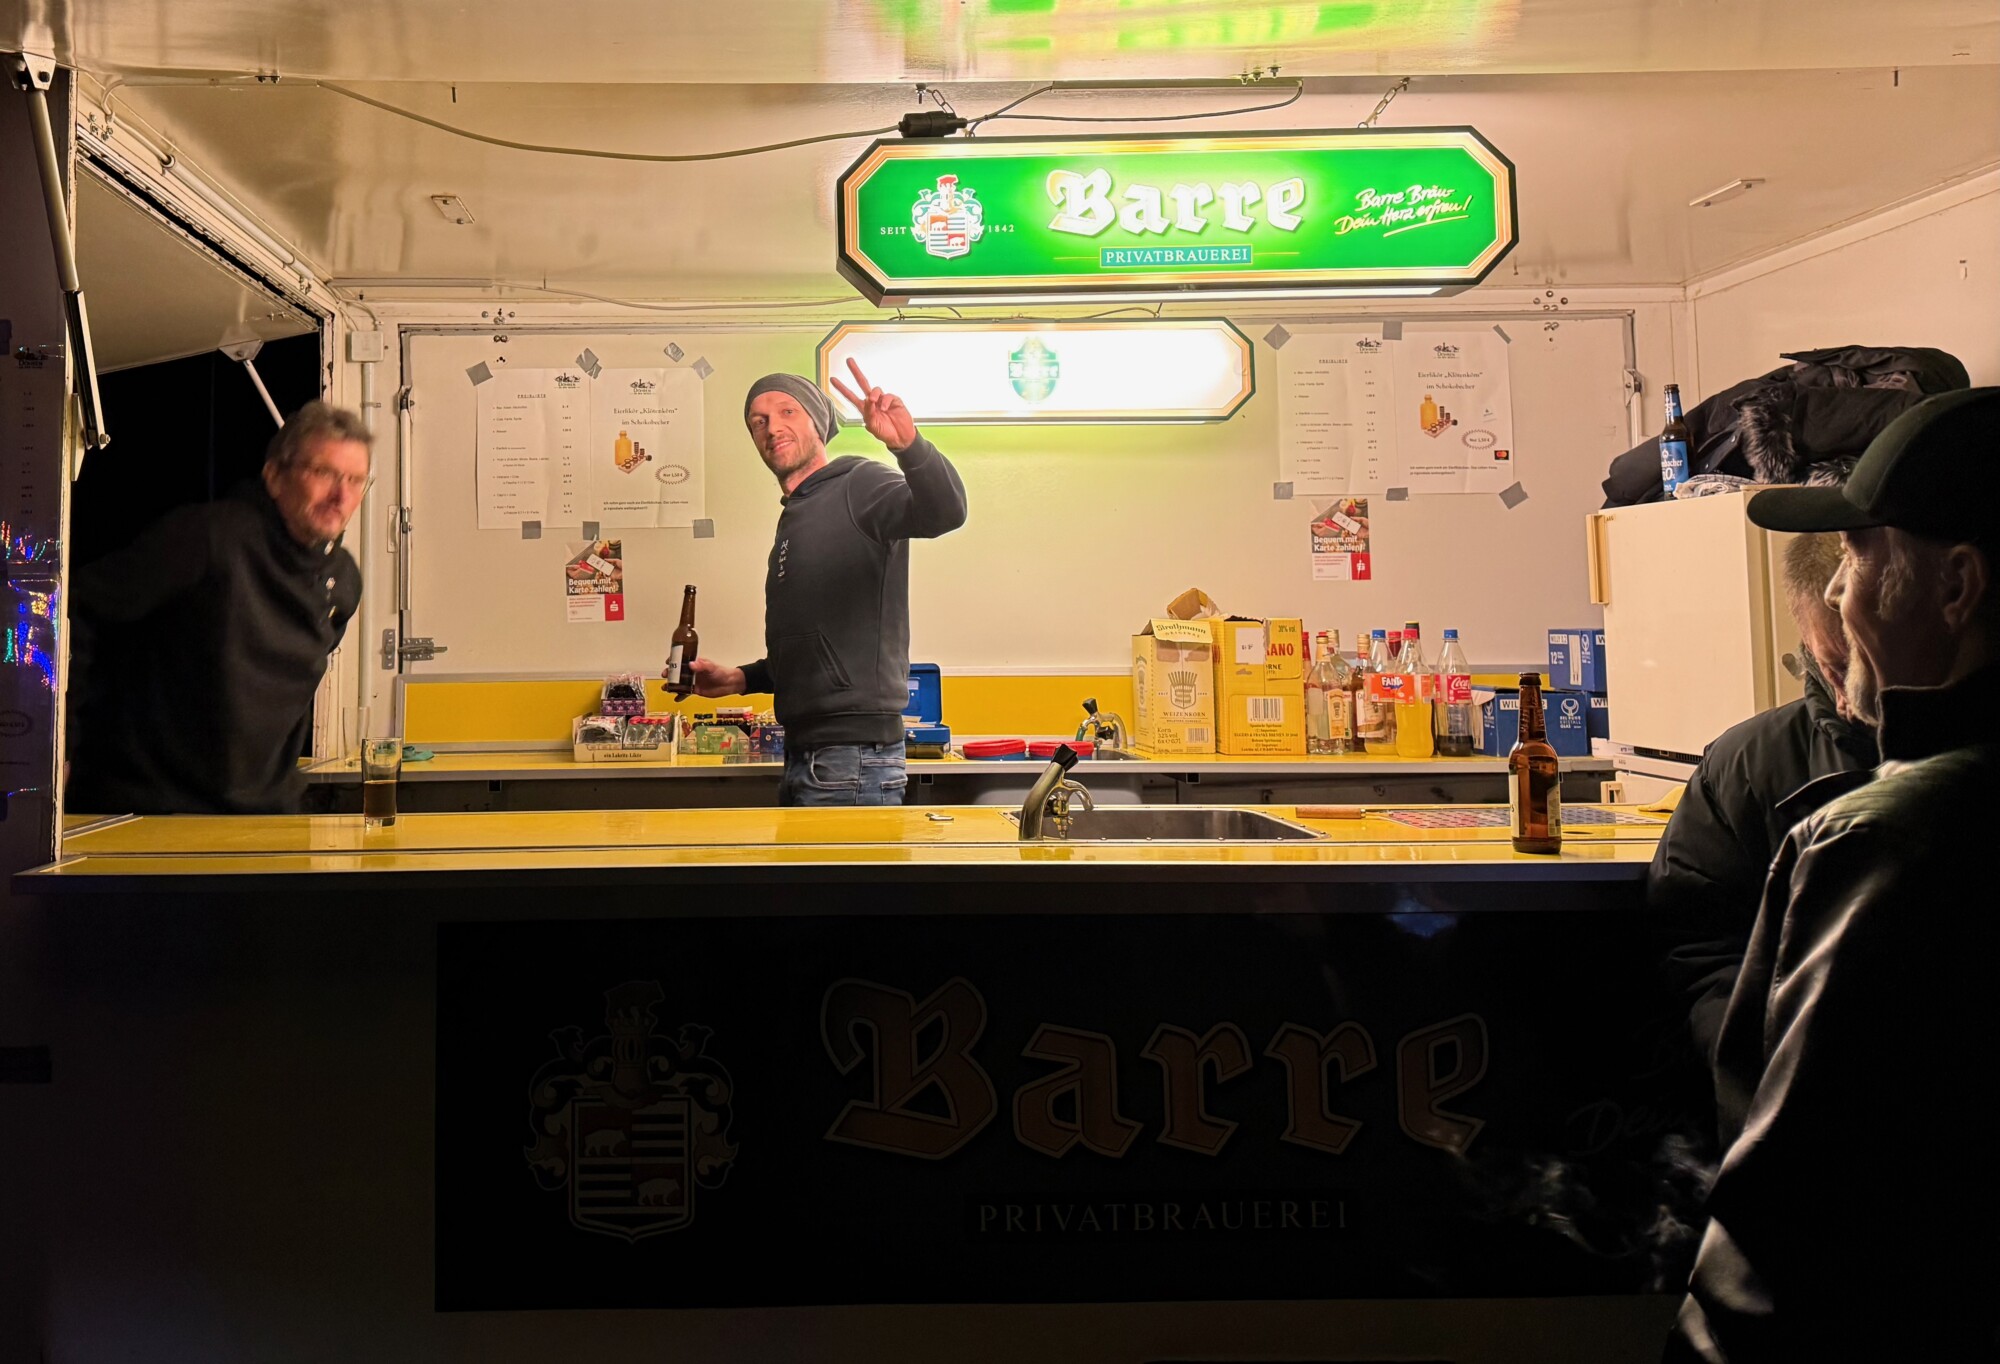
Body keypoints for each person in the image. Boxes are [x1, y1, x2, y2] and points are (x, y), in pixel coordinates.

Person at [1668, 388, 2000, 1361]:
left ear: (1956, 587)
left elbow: (1790, 1215)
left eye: (1857, 558)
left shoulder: (1884, 839)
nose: (1842, 597)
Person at [682, 361, 966, 806]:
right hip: (807, 753)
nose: (772, 427)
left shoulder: (859, 483)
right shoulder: (796, 516)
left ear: (817, 422)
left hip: (853, 758)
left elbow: (946, 513)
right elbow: (813, 645)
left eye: (787, 412)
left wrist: (908, 446)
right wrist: (740, 679)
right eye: (758, 421)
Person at [65, 402, 368, 814]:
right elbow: (78, 607)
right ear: (274, 476)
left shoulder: (344, 580)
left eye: (355, 480)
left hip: (265, 812)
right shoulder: (209, 538)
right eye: (323, 472)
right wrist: (60, 744)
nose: (341, 496)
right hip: (153, 808)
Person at [1648, 532, 1878, 1067]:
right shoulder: (1744, 766)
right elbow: (1698, 952)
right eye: (1834, 666)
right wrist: (1760, 1069)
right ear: (1804, 643)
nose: (1851, 696)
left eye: (1863, 660)